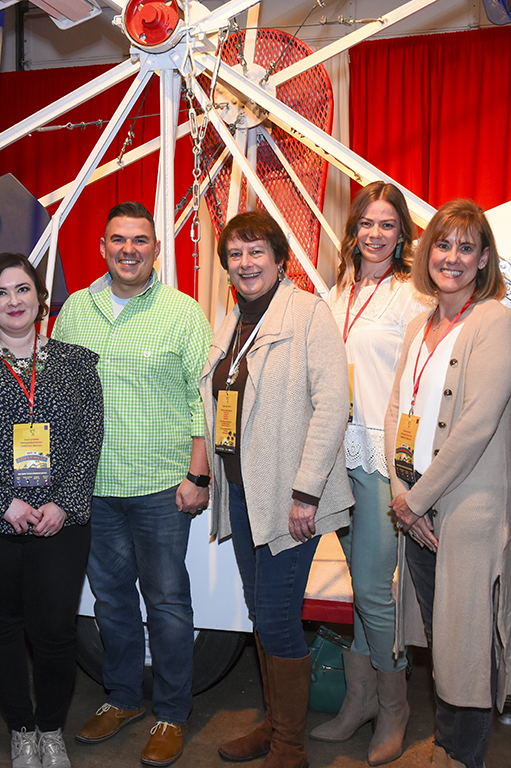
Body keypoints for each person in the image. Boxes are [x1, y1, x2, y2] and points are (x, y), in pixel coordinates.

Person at [52, 201, 213, 768]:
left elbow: (204, 398)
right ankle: (122, 698)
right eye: (118, 239)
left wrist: (199, 472)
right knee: (112, 600)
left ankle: (172, 711)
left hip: (162, 488)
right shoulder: (75, 310)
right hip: (93, 487)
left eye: (140, 240)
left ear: (155, 248)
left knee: (167, 602)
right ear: (102, 247)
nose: (129, 249)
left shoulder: (183, 313)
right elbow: (55, 395)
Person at [199, 210, 353, 768]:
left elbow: (333, 403)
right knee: (259, 611)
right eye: (235, 255)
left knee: (279, 614)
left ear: (279, 257)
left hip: (288, 498)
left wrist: (307, 492)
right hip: (241, 490)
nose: (245, 263)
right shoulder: (234, 319)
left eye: (256, 251)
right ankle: (273, 723)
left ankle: (291, 745)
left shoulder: (308, 313)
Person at [0, 253, 103, 768]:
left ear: (39, 297)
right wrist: (1, 503)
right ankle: (21, 729)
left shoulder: (77, 361)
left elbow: (89, 440)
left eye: (23, 290)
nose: (14, 301)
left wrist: (63, 503)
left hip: (60, 522)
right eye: (2, 292)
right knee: (2, 629)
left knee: (54, 631)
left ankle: (51, 729)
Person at [385, 199, 511, 768]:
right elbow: (395, 414)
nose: (452, 257)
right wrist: (400, 494)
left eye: (466, 247)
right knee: (439, 634)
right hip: (417, 507)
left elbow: (478, 423)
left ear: (484, 259)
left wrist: (416, 500)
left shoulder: (496, 322)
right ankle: (446, 742)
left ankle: (463, 754)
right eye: (443, 244)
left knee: (466, 641)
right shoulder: (418, 324)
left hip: (466, 510)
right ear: (426, 252)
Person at [310, 182, 431, 764]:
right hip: (335, 455)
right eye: (367, 223)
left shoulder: (413, 296)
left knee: (375, 589)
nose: (376, 234)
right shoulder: (334, 294)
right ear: (353, 229)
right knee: (358, 586)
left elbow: (420, 383)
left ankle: (394, 706)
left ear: (401, 233)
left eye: (387, 224)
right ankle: (357, 701)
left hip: (382, 460)